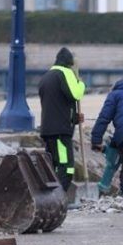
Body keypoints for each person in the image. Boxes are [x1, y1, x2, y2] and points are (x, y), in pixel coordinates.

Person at [38, 47, 85, 192]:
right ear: (69, 63)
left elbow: (57, 104)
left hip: (48, 129)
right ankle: (58, 196)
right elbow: (75, 94)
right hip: (60, 132)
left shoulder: (47, 76)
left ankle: (49, 195)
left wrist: (74, 119)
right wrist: (81, 83)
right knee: (67, 166)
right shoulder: (66, 72)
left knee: (53, 164)